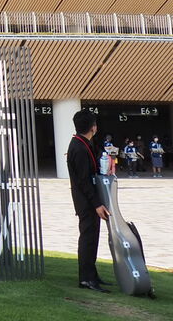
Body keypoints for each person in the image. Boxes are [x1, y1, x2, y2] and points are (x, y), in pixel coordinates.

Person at [67, 109, 111, 293]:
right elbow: (84, 180)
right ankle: (86, 278)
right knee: (88, 239)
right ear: (93, 127)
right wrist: (97, 204)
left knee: (92, 238)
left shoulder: (84, 143)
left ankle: (92, 274)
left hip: (88, 200)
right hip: (86, 201)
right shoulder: (79, 147)